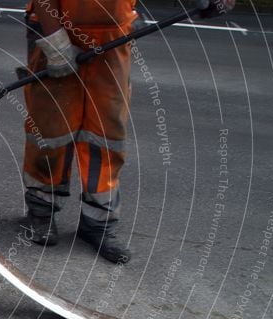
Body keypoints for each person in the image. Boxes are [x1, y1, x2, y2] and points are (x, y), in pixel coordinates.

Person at [20, 0, 233, 264]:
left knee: (105, 133)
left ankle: (98, 223)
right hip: (55, 27)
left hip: (113, 33)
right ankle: (41, 211)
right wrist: (54, 41)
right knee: (51, 130)